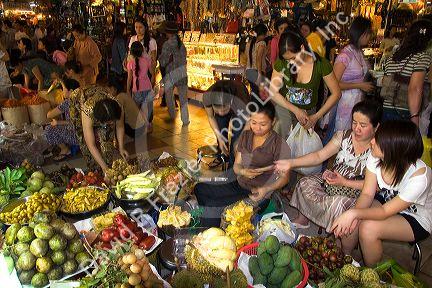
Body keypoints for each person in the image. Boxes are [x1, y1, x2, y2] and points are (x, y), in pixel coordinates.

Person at [332, 120, 432, 266]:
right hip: (388, 199)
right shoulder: (376, 156)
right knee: (354, 214)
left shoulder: (420, 177)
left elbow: (384, 211)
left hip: (415, 216)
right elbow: (367, 194)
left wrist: (354, 213)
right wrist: (353, 213)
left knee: (368, 228)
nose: (371, 141)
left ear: (392, 150)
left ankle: (371, 274)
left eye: (377, 140)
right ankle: (344, 258)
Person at [275, 100, 382, 231]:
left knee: (337, 203)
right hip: (333, 180)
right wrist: (291, 163)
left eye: (363, 125)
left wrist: (344, 182)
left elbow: (376, 187)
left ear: (376, 127)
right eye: (354, 122)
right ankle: (303, 219)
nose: (357, 128)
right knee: (304, 183)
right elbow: (319, 156)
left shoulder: (380, 148)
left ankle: (338, 234)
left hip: (358, 190)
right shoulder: (343, 136)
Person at [194, 102, 291, 227]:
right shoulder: (246, 136)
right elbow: (237, 166)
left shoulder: (279, 145)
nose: (257, 128)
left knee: (213, 206)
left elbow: (285, 177)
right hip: (239, 183)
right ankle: (219, 223)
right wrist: (243, 171)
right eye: (253, 122)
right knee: (200, 188)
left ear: (273, 122)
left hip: (258, 193)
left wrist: (267, 189)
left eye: (263, 124)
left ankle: (213, 224)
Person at [270, 31, 341, 140]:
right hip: (286, 112)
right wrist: (296, 110)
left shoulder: (321, 64)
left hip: (310, 115)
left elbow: (336, 94)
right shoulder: (282, 63)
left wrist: (316, 117)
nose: (290, 63)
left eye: (293, 58)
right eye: (287, 60)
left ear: (302, 48)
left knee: (304, 151)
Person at [325, 17, 374, 142]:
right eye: (369, 33)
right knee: (340, 140)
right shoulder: (345, 55)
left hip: (356, 103)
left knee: (350, 139)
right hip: (344, 104)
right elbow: (334, 84)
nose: (371, 36)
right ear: (361, 33)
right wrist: (359, 85)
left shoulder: (358, 52)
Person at [380, 19, 432, 129]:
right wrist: (415, 117)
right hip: (406, 113)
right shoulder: (423, 57)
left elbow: (385, 80)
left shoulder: (393, 55)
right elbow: (415, 88)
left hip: (387, 109)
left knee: (387, 145)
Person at [69, 85, 128, 172]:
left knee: (107, 143)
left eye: (113, 121)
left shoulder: (117, 106)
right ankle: (94, 169)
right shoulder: (87, 110)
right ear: (100, 120)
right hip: (77, 101)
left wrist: (121, 147)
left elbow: (120, 126)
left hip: (100, 99)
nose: (112, 124)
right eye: (108, 122)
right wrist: (104, 168)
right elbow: (91, 144)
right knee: (84, 141)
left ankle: (108, 168)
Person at [203, 80, 250, 168]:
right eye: (217, 109)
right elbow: (211, 117)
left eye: (224, 110)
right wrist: (220, 139)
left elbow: (248, 122)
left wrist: (240, 139)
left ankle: (232, 167)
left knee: (236, 139)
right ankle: (222, 157)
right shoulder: (207, 96)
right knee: (220, 133)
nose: (221, 113)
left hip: (239, 106)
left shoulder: (241, 100)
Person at [158, 21, 189, 126]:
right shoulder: (182, 44)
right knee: (183, 99)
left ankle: (172, 115)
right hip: (182, 73)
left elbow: (163, 61)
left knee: (169, 96)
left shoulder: (167, 44)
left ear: (168, 33)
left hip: (171, 73)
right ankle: (185, 120)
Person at [44, 78, 80, 160]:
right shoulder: (81, 99)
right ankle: (58, 148)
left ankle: (65, 150)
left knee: (49, 129)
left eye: (63, 89)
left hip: (76, 136)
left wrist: (58, 122)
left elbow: (49, 115)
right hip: (85, 134)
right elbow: (75, 121)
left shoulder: (68, 102)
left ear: (70, 91)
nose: (62, 91)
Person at [126, 41, 153, 130]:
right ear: (142, 50)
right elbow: (152, 72)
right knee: (145, 109)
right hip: (147, 87)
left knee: (137, 109)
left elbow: (129, 78)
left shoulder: (130, 63)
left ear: (132, 52)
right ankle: (147, 124)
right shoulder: (146, 61)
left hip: (136, 88)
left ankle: (140, 126)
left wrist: (127, 90)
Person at [127, 18, 157, 85]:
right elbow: (129, 53)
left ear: (145, 28)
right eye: (136, 27)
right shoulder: (133, 39)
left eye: (140, 27)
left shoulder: (151, 41)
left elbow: (154, 60)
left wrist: (153, 76)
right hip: (135, 70)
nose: (138, 30)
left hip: (147, 71)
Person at [110, 22, 127, 93]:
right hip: (119, 70)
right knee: (120, 91)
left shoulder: (115, 39)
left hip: (114, 68)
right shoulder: (120, 40)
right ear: (122, 29)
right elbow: (123, 56)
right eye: (125, 28)